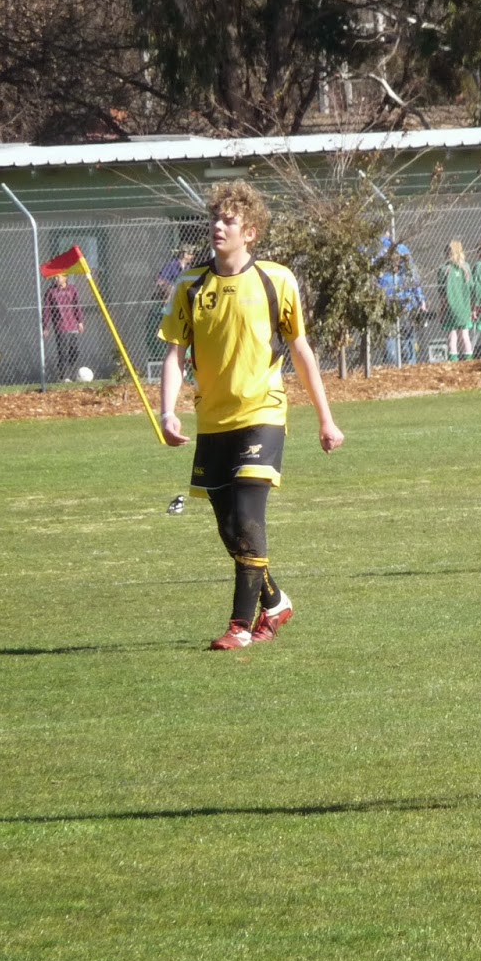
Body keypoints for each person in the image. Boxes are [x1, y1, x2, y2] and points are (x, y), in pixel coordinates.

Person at [157, 181, 344, 651]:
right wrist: (167, 411)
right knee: (227, 528)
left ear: (251, 231)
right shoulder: (190, 285)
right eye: (214, 219)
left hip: (263, 412)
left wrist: (326, 418)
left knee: (247, 517)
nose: (218, 227)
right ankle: (276, 602)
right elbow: (175, 355)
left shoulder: (277, 280)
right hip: (213, 422)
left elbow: (301, 350)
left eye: (229, 221)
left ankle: (240, 626)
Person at [438, 240, 476, 360]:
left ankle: (453, 361)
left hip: (450, 307)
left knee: (452, 335)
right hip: (464, 307)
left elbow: (442, 292)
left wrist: (442, 309)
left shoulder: (444, 269)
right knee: (465, 335)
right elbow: (472, 287)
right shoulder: (466, 268)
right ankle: (468, 359)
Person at [42, 272, 84, 381]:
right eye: (55, 277)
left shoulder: (72, 289)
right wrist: (45, 327)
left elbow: (77, 305)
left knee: (74, 351)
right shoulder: (51, 292)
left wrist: (79, 322)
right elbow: (47, 310)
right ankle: (64, 376)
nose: (56, 279)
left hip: (72, 324)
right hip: (60, 326)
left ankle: (67, 370)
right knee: (63, 351)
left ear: (65, 278)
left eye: (58, 276)